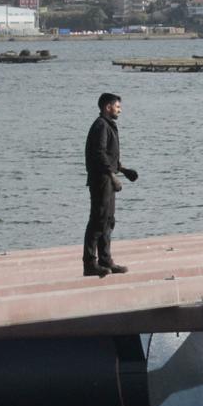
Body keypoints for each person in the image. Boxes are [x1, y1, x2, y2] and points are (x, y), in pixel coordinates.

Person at [82, 92, 138, 277]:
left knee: (108, 221)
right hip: (101, 180)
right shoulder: (100, 126)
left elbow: (108, 154)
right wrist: (112, 176)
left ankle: (105, 260)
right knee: (98, 220)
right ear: (108, 107)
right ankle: (90, 264)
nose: (120, 109)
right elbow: (99, 154)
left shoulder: (107, 126)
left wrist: (123, 169)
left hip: (107, 177)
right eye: (117, 106)